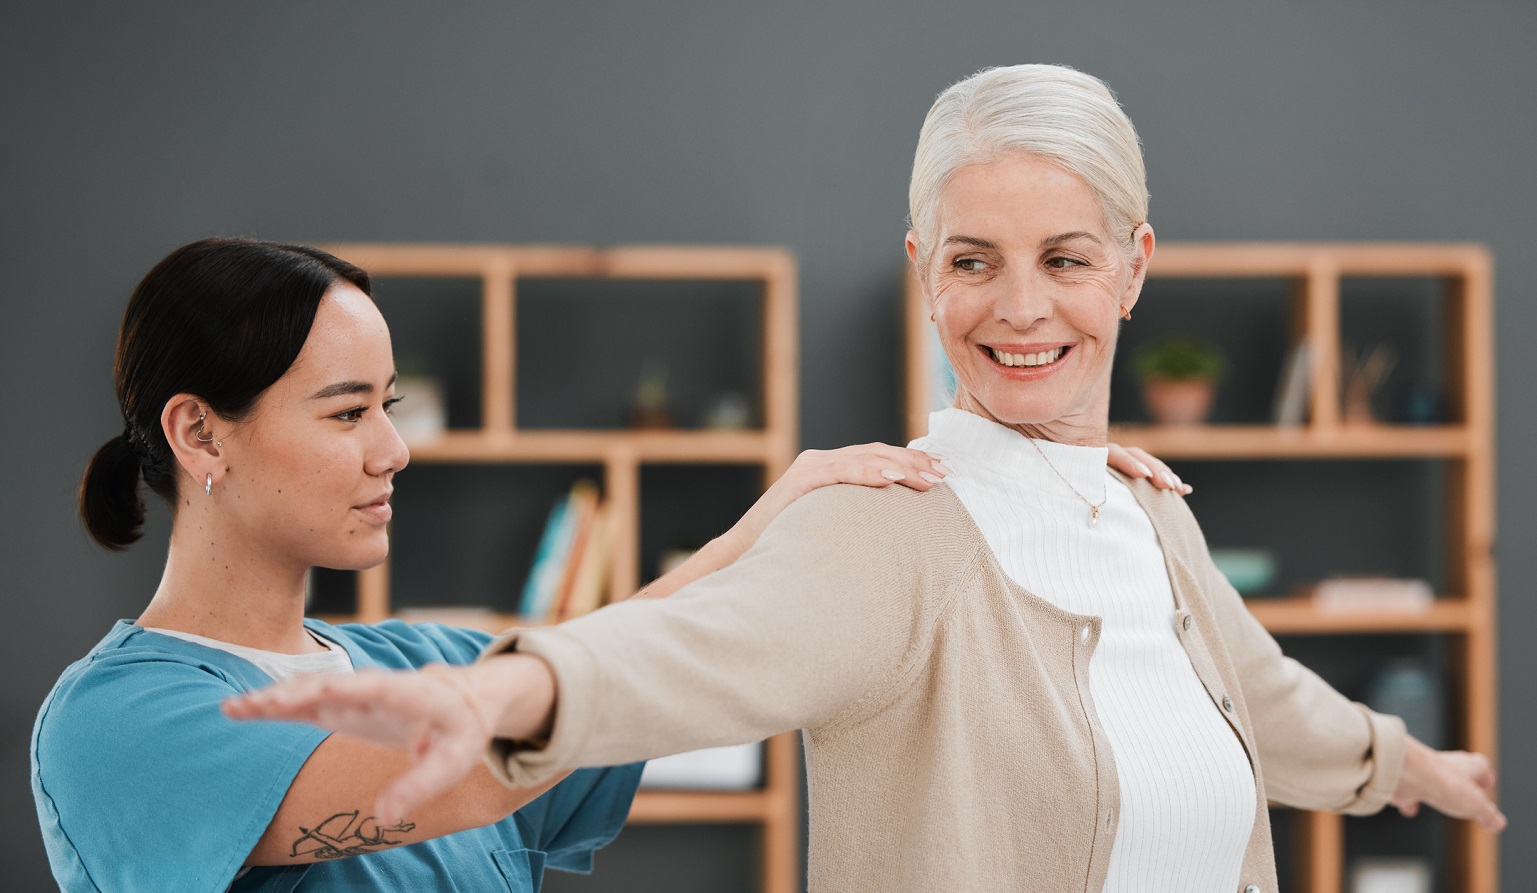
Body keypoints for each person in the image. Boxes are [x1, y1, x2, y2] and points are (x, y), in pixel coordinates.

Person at [229, 65, 1508, 893]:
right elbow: (706, 649)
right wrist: (514, 687)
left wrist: (1409, 764)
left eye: (1065, 258)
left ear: (1132, 266)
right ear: (920, 270)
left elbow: (1268, 698)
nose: (1017, 309)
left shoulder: (1147, 516)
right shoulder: (888, 524)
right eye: (970, 261)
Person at [32, 236, 1191, 891]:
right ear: (198, 434)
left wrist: (779, 516)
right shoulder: (120, 716)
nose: (393, 447)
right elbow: (481, 754)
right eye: (345, 413)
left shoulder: (411, 655)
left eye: (389, 404)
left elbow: (617, 658)